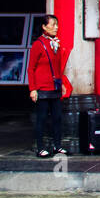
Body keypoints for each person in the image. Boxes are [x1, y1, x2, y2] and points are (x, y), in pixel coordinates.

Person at [26, 14, 69, 158]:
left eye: (57, 25)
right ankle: (40, 147)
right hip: (42, 88)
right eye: (52, 25)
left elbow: (57, 67)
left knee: (57, 118)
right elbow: (31, 68)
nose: (56, 27)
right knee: (42, 119)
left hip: (55, 87)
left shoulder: (56, 43)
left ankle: (58, 146)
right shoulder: (38, 44)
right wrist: (33, 89)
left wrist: (61, 83)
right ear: (44, 27)